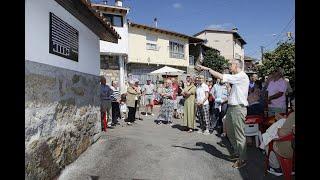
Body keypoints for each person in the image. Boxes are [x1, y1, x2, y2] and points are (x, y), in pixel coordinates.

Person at [198, 59, 250, 169]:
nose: (229, 66)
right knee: (230, 132)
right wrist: (229, 89)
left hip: (238, 109)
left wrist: (208, 69)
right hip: (232, 108)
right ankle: (237, 152)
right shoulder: (237, 78)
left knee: (239, 135)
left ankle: (243, 159)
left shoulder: (241, 76)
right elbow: (234, 93)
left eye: (231, 64)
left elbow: (222, 76)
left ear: (236, 66)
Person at [262, 99, 295, 176]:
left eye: (293, 106)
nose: (292, 108)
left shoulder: (293, 115)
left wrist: (279, 128)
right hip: (291, 144)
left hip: (290, 148)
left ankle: (276, 168)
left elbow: (281, 134)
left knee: (268, 142)